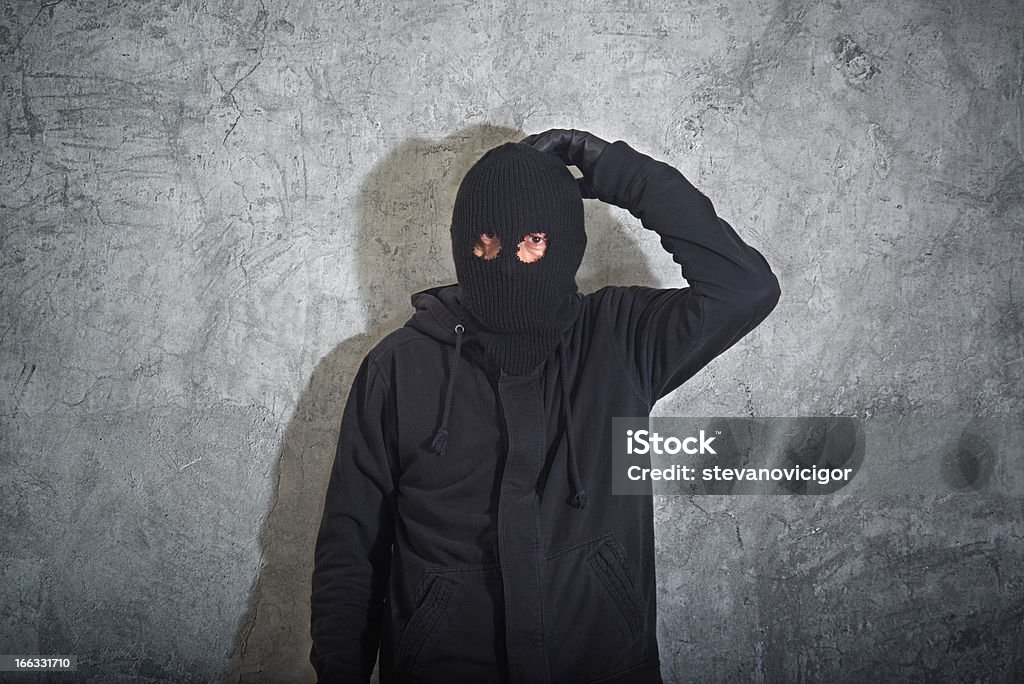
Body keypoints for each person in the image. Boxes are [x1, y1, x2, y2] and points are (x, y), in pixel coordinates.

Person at [309, 128, 781, 683]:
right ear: (464, 243)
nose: (508, 261)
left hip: (601, 664)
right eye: (488, 240)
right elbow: (351, 548)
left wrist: (618, 171)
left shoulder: (620, 340)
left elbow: (745, 288)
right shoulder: (397, 368)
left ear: (566, 244)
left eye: (534, 240)